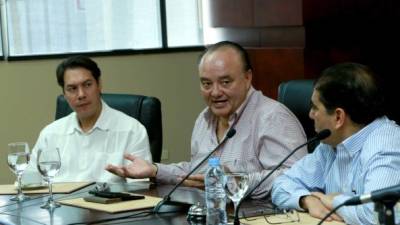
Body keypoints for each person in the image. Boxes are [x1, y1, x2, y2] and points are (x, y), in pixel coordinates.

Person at [106, 41, 307, 198]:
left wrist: (231, 182)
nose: (215, 92)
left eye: (225, 82)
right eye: (206, 84)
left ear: (247, 78)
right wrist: (155, 170)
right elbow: (197, 173)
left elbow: (292, 177)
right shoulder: (204, 119)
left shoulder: (273, 118)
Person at [271, 62, 400, 224]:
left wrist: (335, 201)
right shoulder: (330, 143)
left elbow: (378, 216)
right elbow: (281, 184)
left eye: (315, 107)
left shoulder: (385, 146)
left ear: (338, 117)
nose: (310, 115)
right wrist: (307, 200)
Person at [24, 55, 152, 183]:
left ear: (99, 85)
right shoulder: (50, 134)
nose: (81, 95)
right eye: (72, 88)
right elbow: (29, 184)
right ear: (64, 94)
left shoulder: (132, 130)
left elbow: (140, 188)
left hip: (109, 202)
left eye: (87, 85)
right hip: (58, 202)